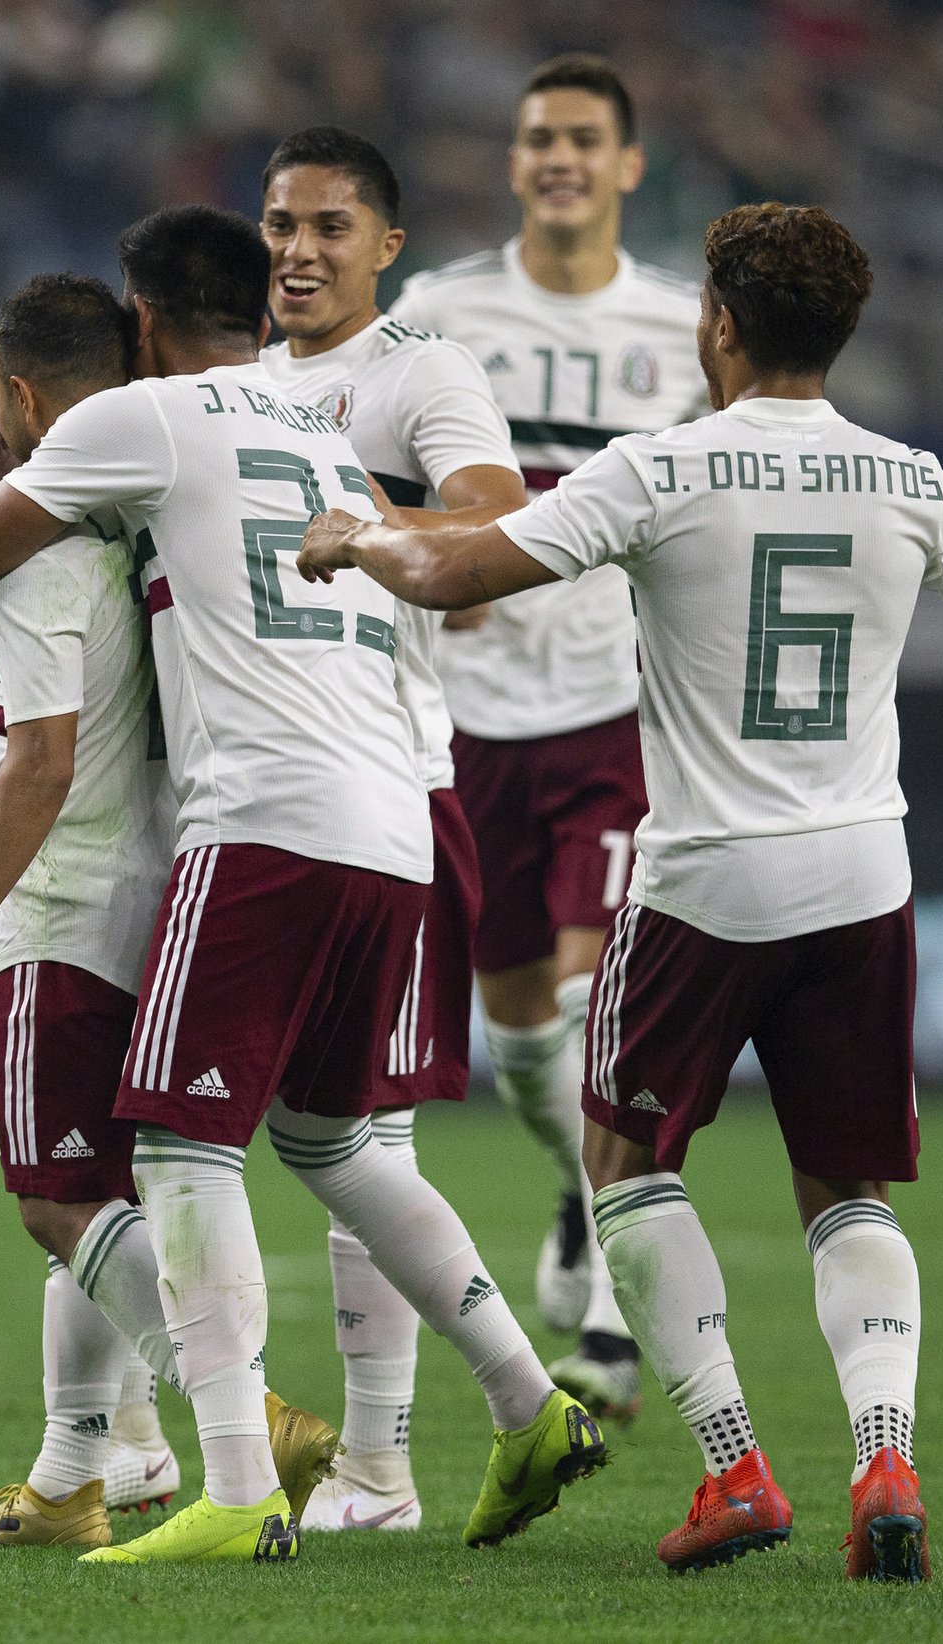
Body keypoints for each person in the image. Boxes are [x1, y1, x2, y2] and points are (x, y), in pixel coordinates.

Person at [298, 201, 943, 1582]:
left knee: (623, 1163)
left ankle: (734, 1469)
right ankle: (884, 1462)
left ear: (716, 325)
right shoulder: (907, 478)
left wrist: (357, 535)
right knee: (846, 1187)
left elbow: (456, 568)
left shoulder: (660, 469)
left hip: (708, 881)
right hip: (862, 877)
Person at [0, 204, 607, 1565]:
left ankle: (234, 1482)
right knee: (336, 1144)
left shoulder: (147, 416)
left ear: (144, 319)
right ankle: (528, 1403)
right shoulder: (324, 428)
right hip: (397, 816)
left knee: (172, 1149)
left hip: (262, 821)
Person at [389, 53, 711, 1421]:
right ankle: (580, 1193)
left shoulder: (684, 327)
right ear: (513, 164)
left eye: (584, 138)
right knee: (519, 1037)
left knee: (589, 1008)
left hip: (612, 715)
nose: (560, 158)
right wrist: (421, 560)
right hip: (468, 722)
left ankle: (606, 1297)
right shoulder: (440, 311)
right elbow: (375, 465)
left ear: (627, 165)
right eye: (538, 139)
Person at [257, 126, 527, 1534]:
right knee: (317, 1134)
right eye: (280, 224)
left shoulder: (421, 369)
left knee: (355, 1136)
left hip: (391, 788)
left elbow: (494, 518)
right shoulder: (243, 382)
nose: (299, 251)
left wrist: (360, 515)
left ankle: (385, 1464)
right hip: (260, 792)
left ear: (387, 246)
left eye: (330, 227)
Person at [0, 274, 179, 1549]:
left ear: (15, 395)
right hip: (161, 882)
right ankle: (84, 1471)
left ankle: (240, 1411)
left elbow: (38, 758)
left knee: (55, 1202)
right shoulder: (138, 519)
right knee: (98, 1195)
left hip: (64, 899)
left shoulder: (34, 556)